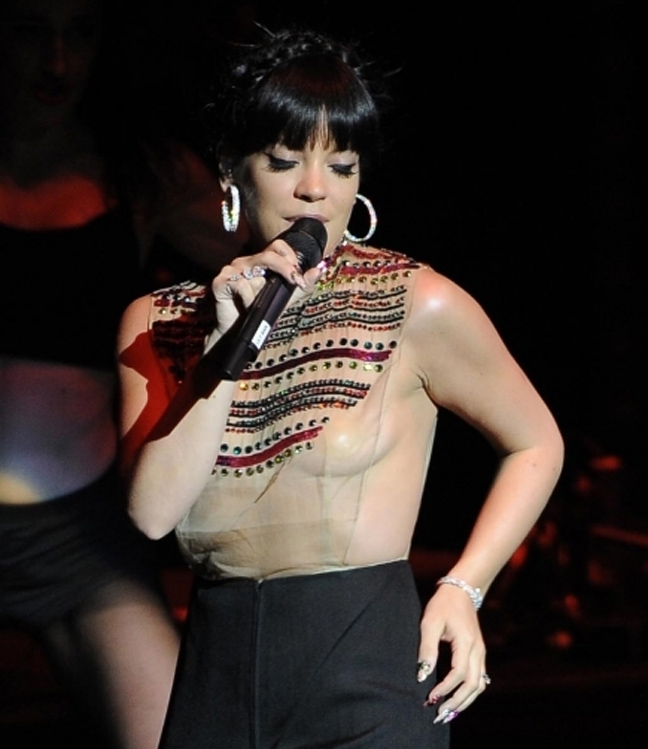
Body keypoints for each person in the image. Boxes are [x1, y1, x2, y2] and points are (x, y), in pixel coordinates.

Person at [117, 27, 565, 748]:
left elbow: (536, 441)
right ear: (233, 169)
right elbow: (151, 514)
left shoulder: (414, 301)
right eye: (284, 160)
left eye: (342, 164)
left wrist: (464, 586)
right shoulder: (159, 322)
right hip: (216, 677)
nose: (315, 189)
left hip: (366, 674)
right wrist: (223, 348)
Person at [0, 1, 242, 747]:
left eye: (81, 32)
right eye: (32, 30)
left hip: (78, 542)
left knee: (176, 735)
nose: (58, 61)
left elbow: (278, 249)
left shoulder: (141, 172)